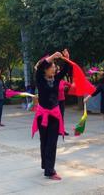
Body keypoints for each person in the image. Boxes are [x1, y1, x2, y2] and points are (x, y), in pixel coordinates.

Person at [33, 49, 70, 180]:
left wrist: (66, 58)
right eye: (53, 67)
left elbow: (66, 70)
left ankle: (48, 168)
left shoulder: (55, 80)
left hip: (54, 115)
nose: (55, 69)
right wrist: (53, 56)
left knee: (52, 142)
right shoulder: (40, 79)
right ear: (46, 70)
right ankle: (47, 167)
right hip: (43, 116)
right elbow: (41, 66)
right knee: (44, 141)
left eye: (55, 67)